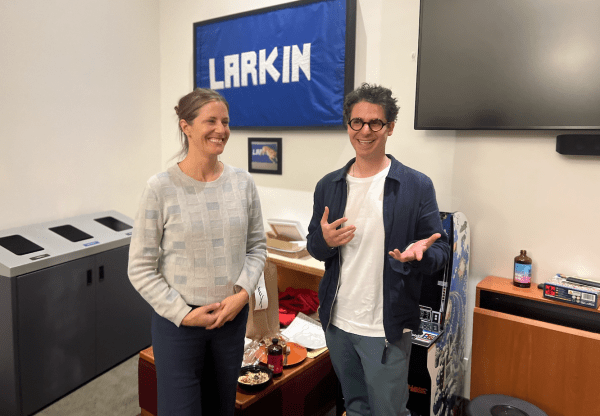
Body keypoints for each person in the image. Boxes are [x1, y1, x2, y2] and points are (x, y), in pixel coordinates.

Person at [307, 83, 450, 416]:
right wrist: (323, 241)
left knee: (388, 410)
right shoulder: (329, 185)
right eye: (357, 122)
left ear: (390, 127)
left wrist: (422, 254)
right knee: (355, 406)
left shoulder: (416, 185)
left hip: (385, 327)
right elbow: (315, 245)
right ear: (348, 126)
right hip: (338, 323)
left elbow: (438, 250)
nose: (365, 130)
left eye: (376, 123)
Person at [128, 88, 267, 416]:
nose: (221, 129)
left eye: (226, 121)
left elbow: (257, 247)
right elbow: (140, 267)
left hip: (230, 320)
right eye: (211, 121)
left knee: (222, 408)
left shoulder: (243, 183)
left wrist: (242, 294)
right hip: (178, 326)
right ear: (185, 126)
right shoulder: (160, 188)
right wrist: (184, 313)